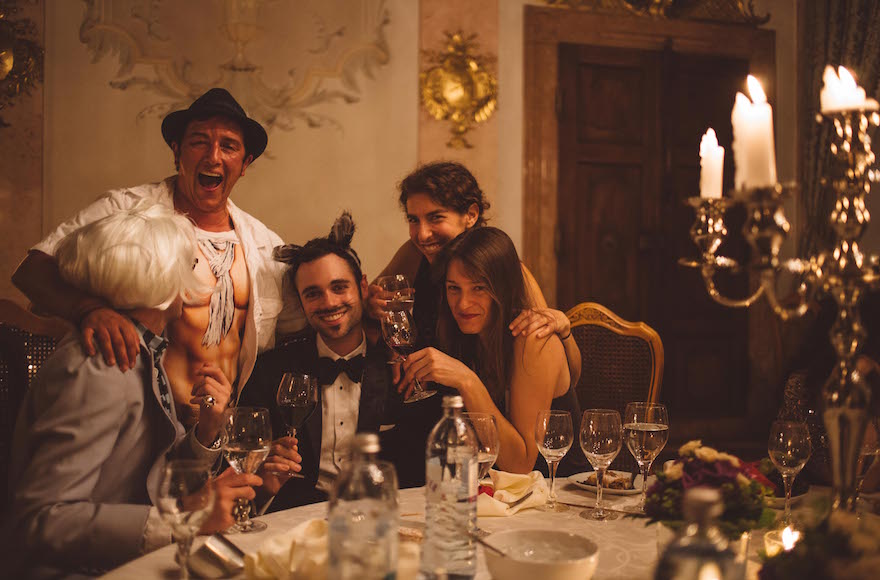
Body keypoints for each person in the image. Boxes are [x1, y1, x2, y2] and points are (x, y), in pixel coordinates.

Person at [3, 202, 291, 577]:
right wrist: (184, 516)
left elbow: (149, 474)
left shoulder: (143, 350)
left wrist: (207, 431)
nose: (196, 275)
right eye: (188, 265)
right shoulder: (101, 364)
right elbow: (40, 520)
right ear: (160, 280)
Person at [11, 88, 305, 426]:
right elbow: (30, 270)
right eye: (198, 142)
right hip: (136, 424)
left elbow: (302, 327)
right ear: (177, 151)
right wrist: (88, 310)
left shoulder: (266, 245)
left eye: (228, 146)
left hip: (219, 432)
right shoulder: (124, 211)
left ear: (244, 164)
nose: (213, 157)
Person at [366, 161, 581, 384]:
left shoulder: (502, 269)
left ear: (471, 214)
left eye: (435, 218)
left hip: (481, 406)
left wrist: (564, 330)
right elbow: (372, 312)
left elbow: (569, 375)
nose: (422, 234)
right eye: (413, 220)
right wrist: (373, 308)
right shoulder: (412, 255)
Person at [399, 227, 587, 476]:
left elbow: (521, 465)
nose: (463, 304)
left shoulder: (533, 339)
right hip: (499, 498)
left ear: (503, 287)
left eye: (479, 288)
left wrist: (466, 380)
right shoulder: (464, 334)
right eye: (454, 288)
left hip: (560, 497)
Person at [239, 212, 394, 509]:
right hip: (296, 522)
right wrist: (264, 472)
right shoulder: (271, 372)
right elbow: (244, 479)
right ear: (300, 300)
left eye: (339, 287)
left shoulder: (397, 365)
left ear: (362, 286)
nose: (329, 303)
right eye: (313, 294)